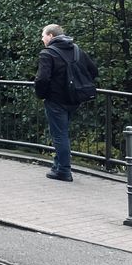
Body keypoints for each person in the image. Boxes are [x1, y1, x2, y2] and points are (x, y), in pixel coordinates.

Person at [34, 24, 98, 182]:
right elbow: (94, 70)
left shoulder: (47, 53)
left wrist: (42, 94)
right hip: (74, 99)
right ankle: (57, 165)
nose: (42, 39)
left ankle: (63, 170)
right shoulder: (76, 50)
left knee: (59, 135)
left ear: (50, 35)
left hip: (56, 100)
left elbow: (42, 79)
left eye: (43, 36)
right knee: (62, 133)